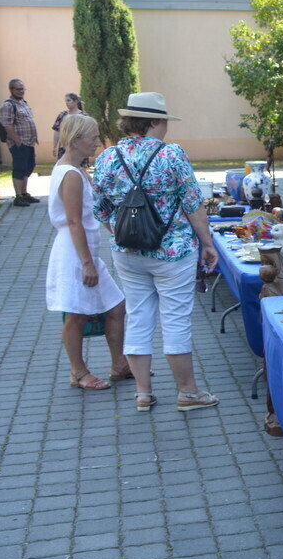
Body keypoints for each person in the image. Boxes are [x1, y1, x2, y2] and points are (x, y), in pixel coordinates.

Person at [91, 92, 220, 413]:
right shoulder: (171, 155)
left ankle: (142, 393)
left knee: (137, 316)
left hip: (127, 252)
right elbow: (193, 204)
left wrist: (123, 232)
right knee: (175, 320)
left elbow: (100, 207)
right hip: (173, 251)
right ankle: (188, 393)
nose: (166, 128)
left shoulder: (107, 157)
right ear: (153, 122)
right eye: (163, 122)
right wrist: (207, 243)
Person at [46, 114, 130, 390]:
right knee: (76, 314)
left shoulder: (76, 169)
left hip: (84, 250)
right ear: (76, 139)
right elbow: (73, 221)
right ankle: (78, 372)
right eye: (93, 138)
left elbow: (92, 211)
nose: (97, 143)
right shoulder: (70, 174)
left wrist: (115, 232)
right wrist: (86, 263)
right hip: (74, 253)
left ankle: (119, 364)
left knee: (116, 306)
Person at [0, 78, 39, 206]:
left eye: (23, 89)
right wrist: (17, 141)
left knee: (28, 167)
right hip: (18, 143)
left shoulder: (23, 103)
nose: (21, 91)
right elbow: (7, 125)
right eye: (18, 89)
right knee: (19, 168)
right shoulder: (8, 105)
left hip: (29, 142)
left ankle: (24, 193)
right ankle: (18, 196)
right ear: (11, 90)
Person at [52, 92, 86, 159]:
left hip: (79, 148)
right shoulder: (62, 115)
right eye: (66, 101)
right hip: (64, 148)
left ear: (75, 101)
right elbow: (57, 131)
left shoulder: (83, 116)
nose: (67, 103)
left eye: (69, 100)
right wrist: (54, 147)